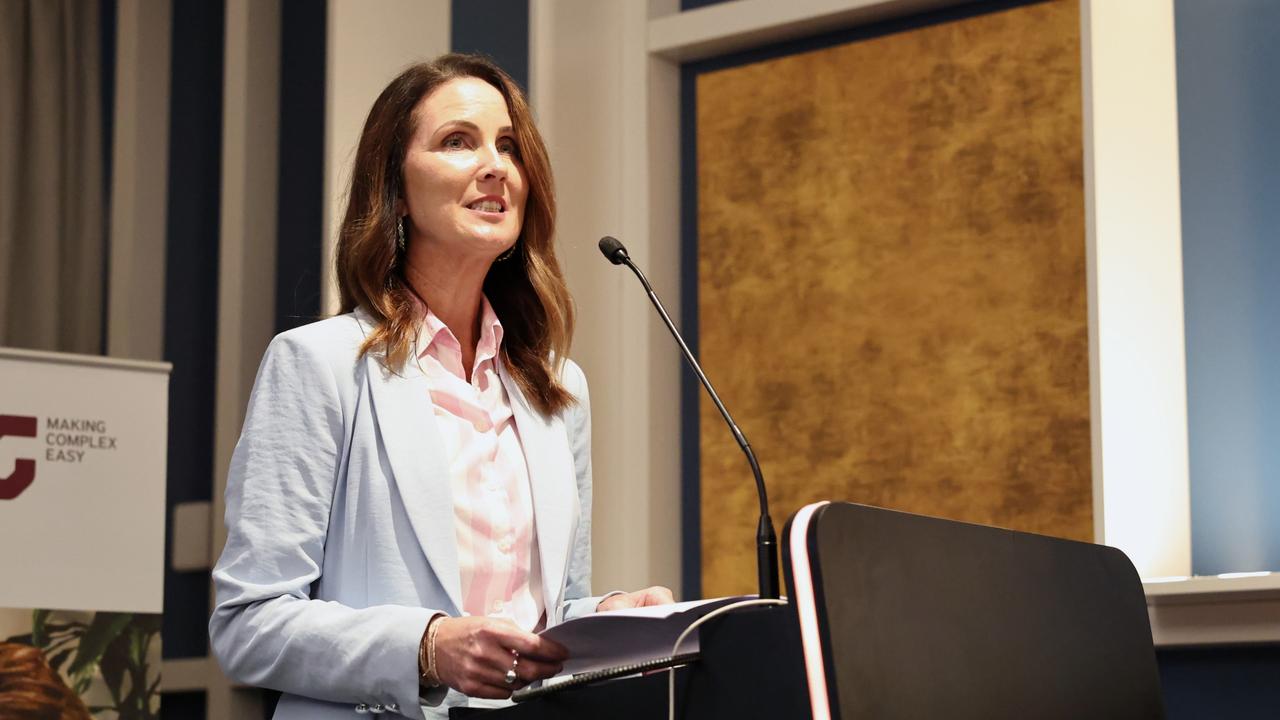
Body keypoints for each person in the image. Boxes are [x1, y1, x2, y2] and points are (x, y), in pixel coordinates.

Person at [209, 54, 673, 719]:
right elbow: (247, 623)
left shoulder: (557, 389)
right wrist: (424, 647)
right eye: (459, 141)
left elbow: (546, 612)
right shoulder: (318, 365)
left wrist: (608, 619)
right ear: (395, 188)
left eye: (509, 146)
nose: (495, 166)